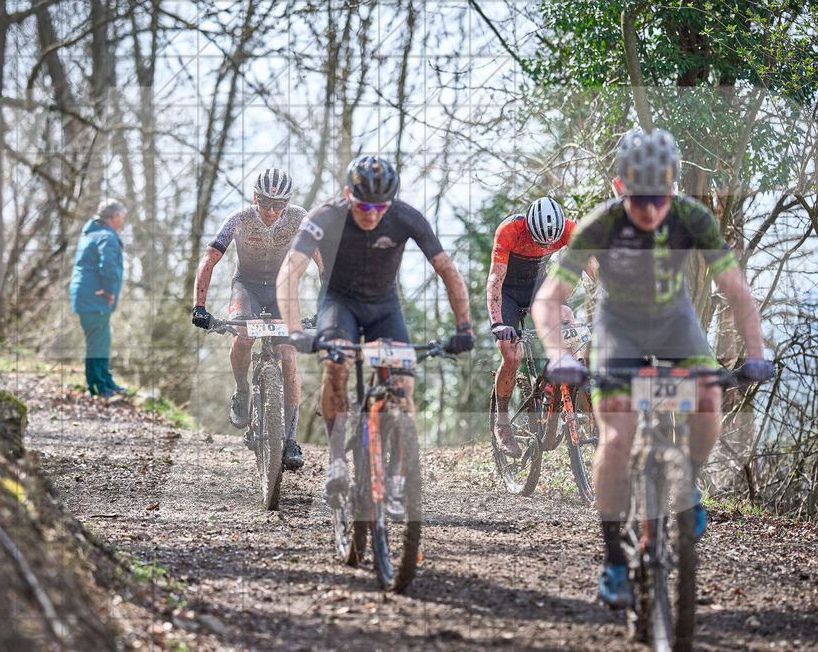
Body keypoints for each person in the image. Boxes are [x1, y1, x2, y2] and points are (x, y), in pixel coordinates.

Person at [530, 128, 775, 608]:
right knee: (617, 440)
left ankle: (689, 480)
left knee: (707, 396)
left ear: (674, 186)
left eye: (660, 196)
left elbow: (736, 290)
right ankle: (614, 561)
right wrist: (558, 353)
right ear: (621, 188)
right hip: (617, 334)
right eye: (639, 198)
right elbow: (548, 299)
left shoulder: (692, 217)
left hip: (674, 327)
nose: (650, 209)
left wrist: (755, 353)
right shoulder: (598, 225)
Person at [277, 155, 474, 503]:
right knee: (336, 366)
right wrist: (295, 330)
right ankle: (337, 459)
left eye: (380, 206)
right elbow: (289, 273)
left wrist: (464, 327)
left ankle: (398, 473)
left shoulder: (405, 216)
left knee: (402, 382)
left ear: (391, 201)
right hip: (339, 304)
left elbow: (447, 270)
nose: (371, 213)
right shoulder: (325, 216)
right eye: (363, 204)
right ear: (347, 194)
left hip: (384, 307)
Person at [191, 168, 320, 470]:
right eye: (266, 203)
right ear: (255, 198)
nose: (273, 211)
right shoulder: (239, 218)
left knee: (288, 356)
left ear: (288, 203)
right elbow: (210, 258)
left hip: (282, 289)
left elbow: (321, 258)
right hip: (245, 286)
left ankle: (289, 438)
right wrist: (199, 305)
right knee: (243, 336)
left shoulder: (300, 217)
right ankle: (241, 390)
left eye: (280, 205)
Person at [486, 196, 596, 455]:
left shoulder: (570, 229)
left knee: (568, 318)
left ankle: (556, 386)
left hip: (539, 288)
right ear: (528, 227)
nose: (544, 245)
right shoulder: (509, 230)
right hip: (508, 293)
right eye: (538, 240)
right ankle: (502, 422)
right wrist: (497, 324)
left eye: (550, 242)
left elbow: (594, 267)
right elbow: (494, 279)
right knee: (512, 356)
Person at [70, 198, 127, 397]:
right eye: (122, 216)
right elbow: (108, 265)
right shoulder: (107, 236)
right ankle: (97, 386)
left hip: (86, 295)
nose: (123, 221)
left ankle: (105, 381)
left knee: (102, 339)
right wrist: (110, 291)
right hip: (96, 296)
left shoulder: (92, 232)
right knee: (97, 341)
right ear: (114, 216)